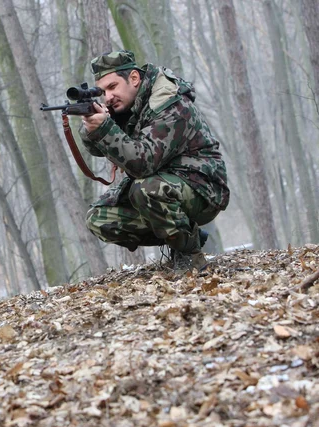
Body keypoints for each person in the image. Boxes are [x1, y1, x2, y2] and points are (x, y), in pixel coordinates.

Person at [79, 50, 229, 271]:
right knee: (99, 219)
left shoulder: (169, 103)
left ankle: (190, 256)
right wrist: (91, 128)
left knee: (145, 189)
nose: (108, 97)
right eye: (103, 92)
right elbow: (99, 150)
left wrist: (105, 129)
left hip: (203, 189)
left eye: (112, 87)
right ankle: (183, 235)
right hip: (163, 184)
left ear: (134, 78)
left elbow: (142, 163)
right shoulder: (128, 105)